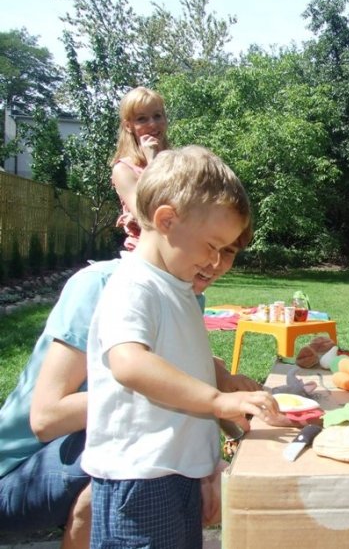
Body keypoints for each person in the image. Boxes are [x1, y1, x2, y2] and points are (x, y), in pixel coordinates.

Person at [0, 224, 255, 548]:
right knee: (133, 465)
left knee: (215, 480)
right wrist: (194, 403)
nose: (215, 261)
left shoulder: (186, 290)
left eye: (228, 250)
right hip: (19, 472)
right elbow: (47, 417)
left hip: (84, 452)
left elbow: (176, 366)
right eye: (209, 244)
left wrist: (220, 382)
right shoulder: (104, 285)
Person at [82, 145, 281, 548]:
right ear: (167, 220)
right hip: (140, 480)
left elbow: (175, 358)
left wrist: (207, 459)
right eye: (212, 245)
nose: (215, 261)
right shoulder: (134, 284)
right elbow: (129, 363)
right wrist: (215, 401)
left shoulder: (176, 287)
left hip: (172, 474)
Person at [111, 86, 170, 251]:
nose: (153, 124)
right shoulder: (123, 169)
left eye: (158, 116)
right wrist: (152, 161)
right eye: (142, 119)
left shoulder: (177, 162)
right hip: (146, 256)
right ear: (128, 126)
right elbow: (147, 218)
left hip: (180, 254)